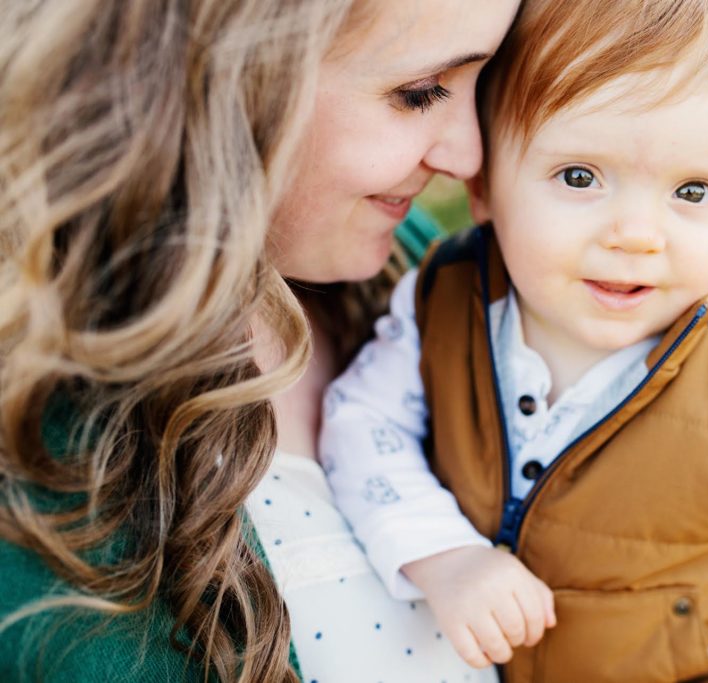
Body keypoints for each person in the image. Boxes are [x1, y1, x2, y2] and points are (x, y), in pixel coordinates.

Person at [319, 0, 708, 681]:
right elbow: (363, 420)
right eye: (580, 177)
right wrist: (444, 556)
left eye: (694, 190)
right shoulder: (444, 300)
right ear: (484, 186)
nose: (637, 233)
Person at [0, 0, 519, 681]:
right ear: (205, 74)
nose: (469, 156)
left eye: (493, 79)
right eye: (418, 94)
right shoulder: (44, 453)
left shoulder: (430, 281)